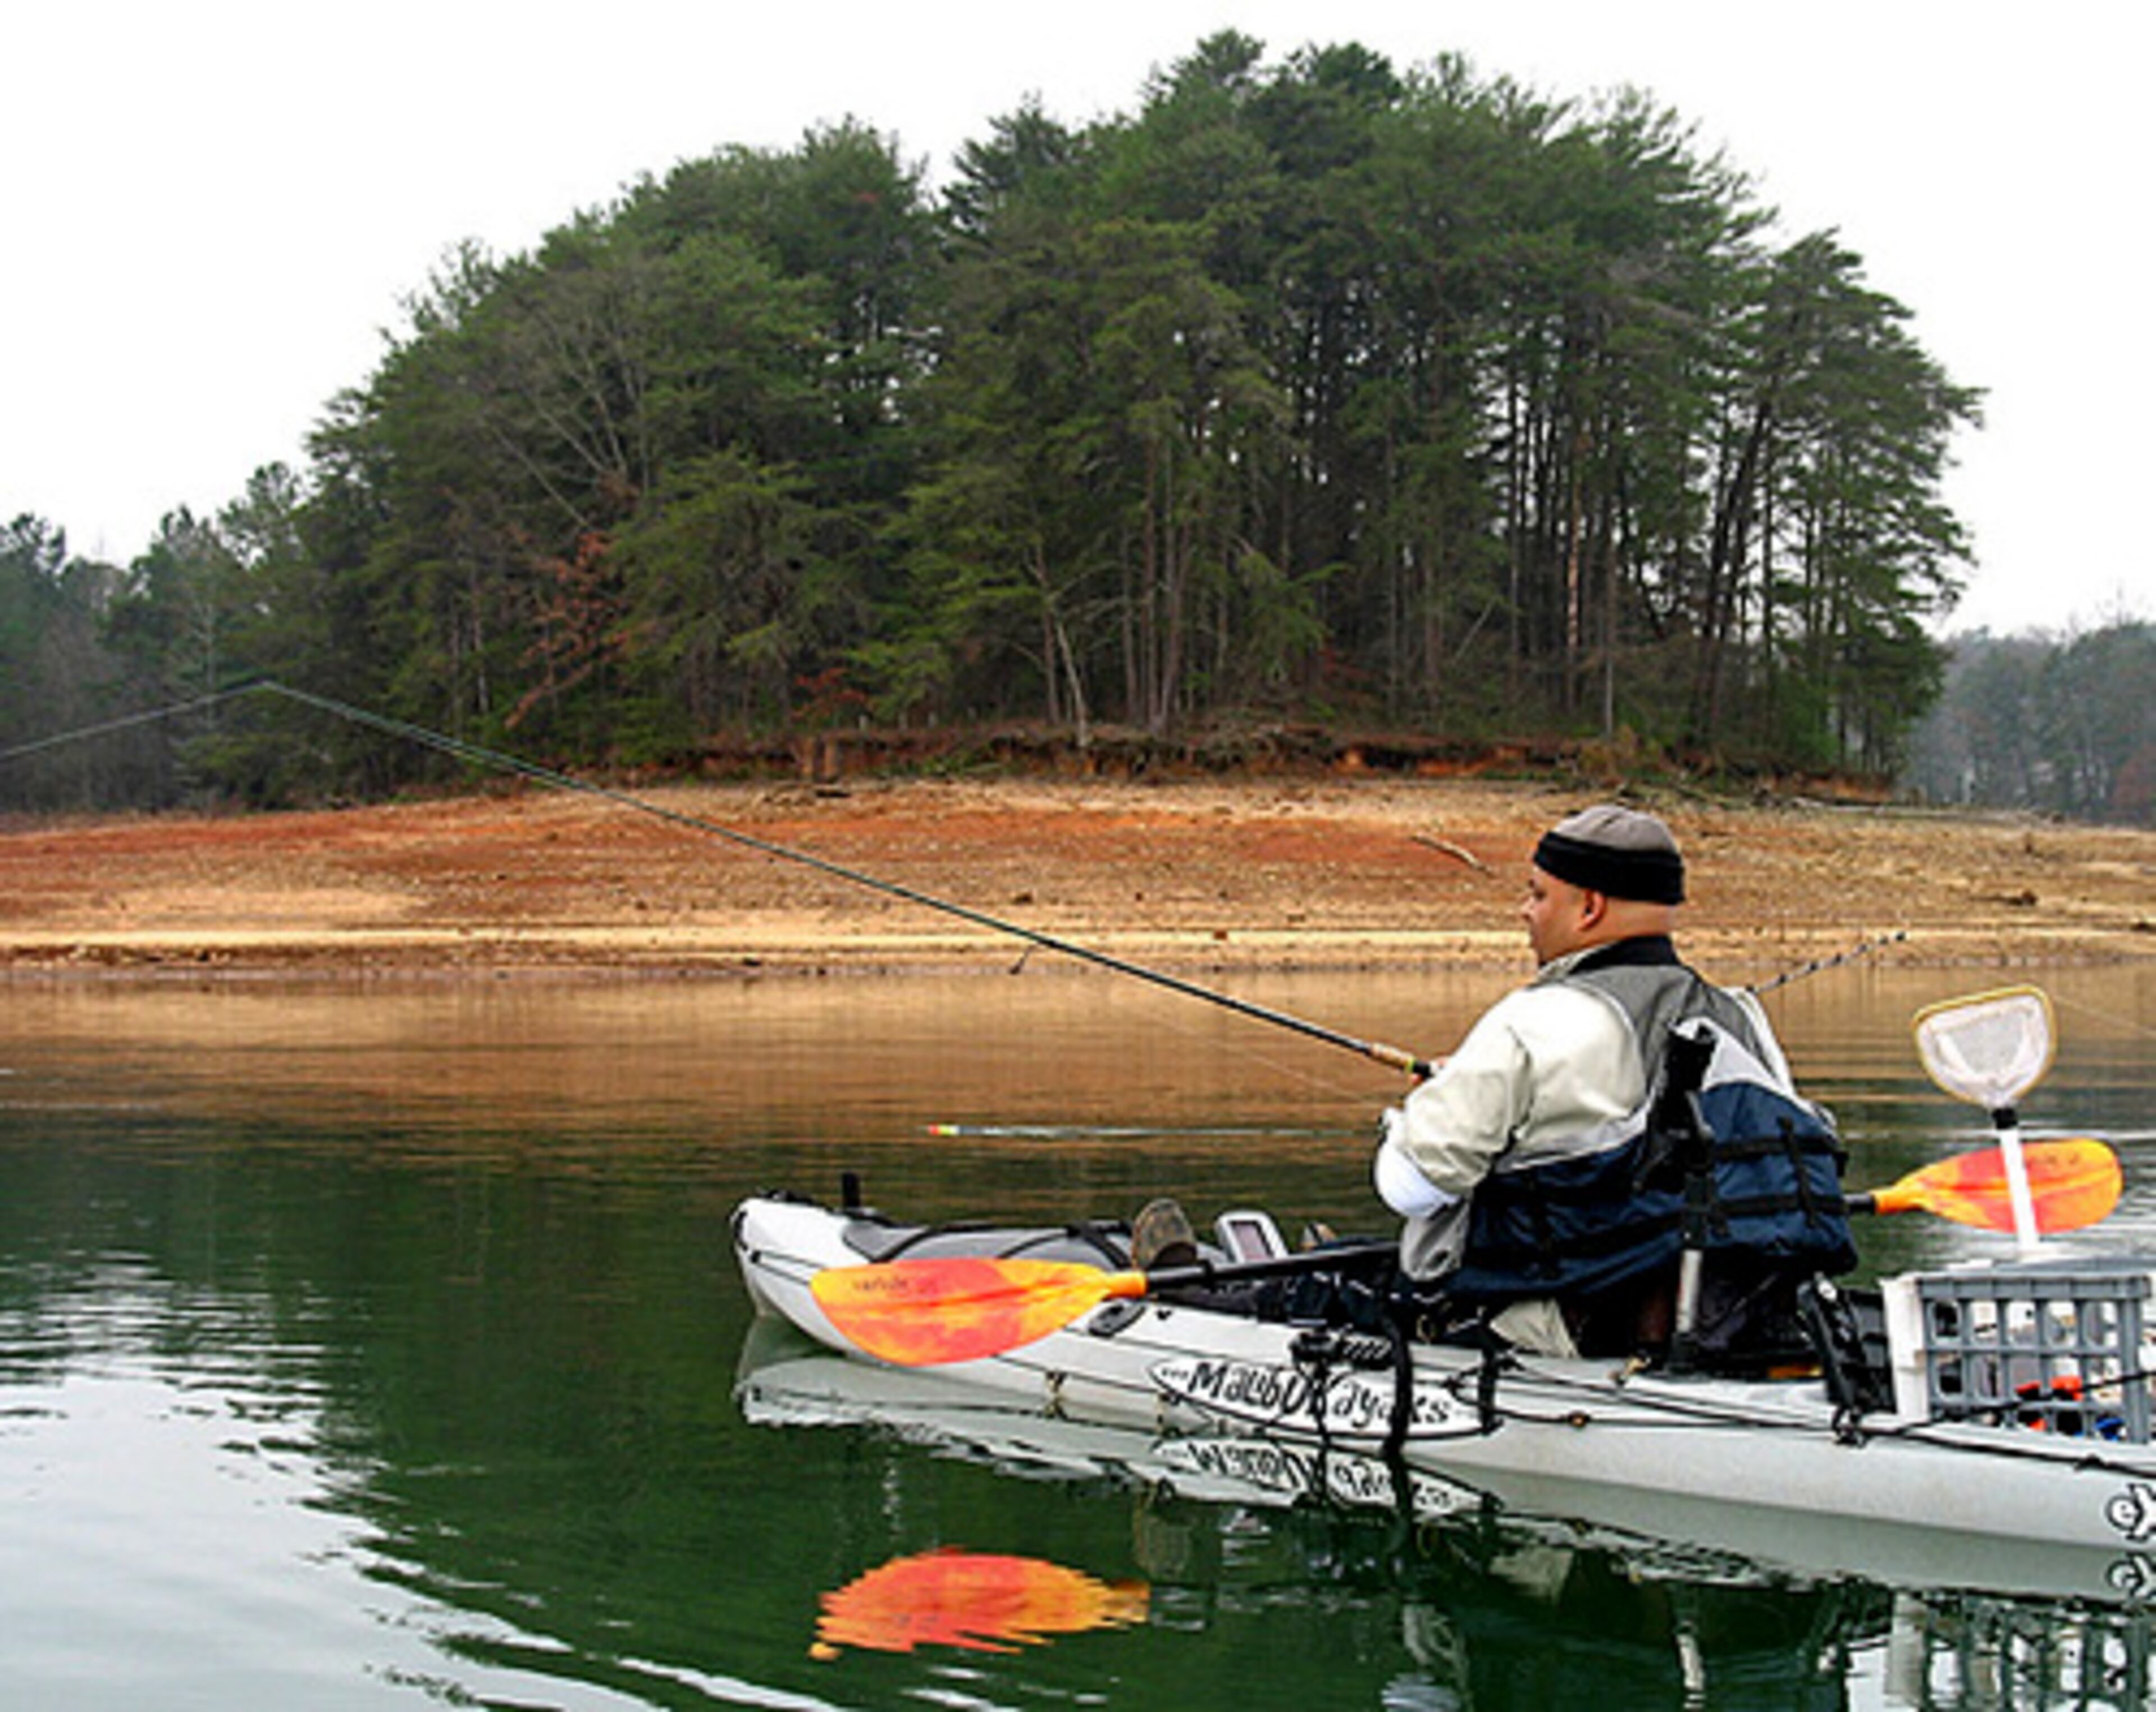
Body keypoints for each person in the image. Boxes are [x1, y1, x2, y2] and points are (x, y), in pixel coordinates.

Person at [1372, 804, 1853, 1362]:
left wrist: (1419, 1112)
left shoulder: (1531, 1020)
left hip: (1563, 1331)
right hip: (1731, 1323)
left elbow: (1410, 1186)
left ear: (1590, 907)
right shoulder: (1743, 1019)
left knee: (1338, 1283)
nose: (1524, 911)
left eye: (1538, 894)